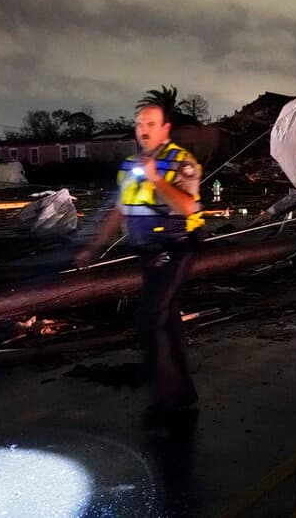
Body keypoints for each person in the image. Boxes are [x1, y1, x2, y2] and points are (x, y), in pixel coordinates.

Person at [75, 103, 205, 419]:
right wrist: (93, 247)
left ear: (165, 129)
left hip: (176, 247)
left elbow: (190, 207)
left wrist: (157, 180)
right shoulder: (130, 165)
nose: (143, 128)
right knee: (167, 321)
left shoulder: (181, 162)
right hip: (148, 253)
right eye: (139, 123)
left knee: (151, 318)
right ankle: (182, 392)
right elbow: (120, 209)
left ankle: (167, 398)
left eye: (151, 122)